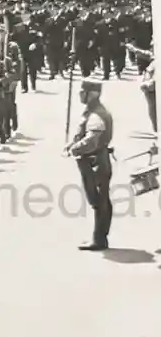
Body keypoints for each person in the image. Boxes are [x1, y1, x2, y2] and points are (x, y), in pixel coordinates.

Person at [65, 79, 114, 251]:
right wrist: (72, 143)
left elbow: (93, 139)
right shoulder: (93, 111)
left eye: (82, 91)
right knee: (101, 200)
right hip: (96, 160)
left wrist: (76, 149)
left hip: (94, 162)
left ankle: (99, 239)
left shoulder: (96, 115)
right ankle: (100, 237)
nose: (80, 94)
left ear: (92, 94)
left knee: (99, 201)